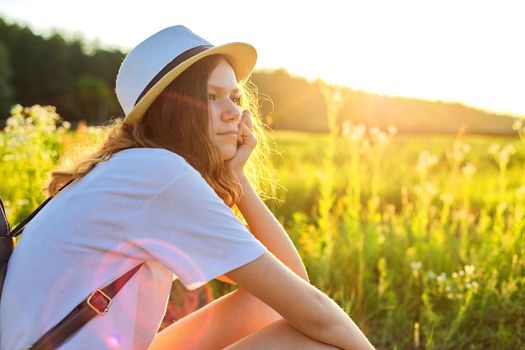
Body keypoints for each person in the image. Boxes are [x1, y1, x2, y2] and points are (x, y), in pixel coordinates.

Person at [0, 25, 375, 349]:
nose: (234, 113)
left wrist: (236, 179)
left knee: (268, 303)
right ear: (172, 108)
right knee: (320, 343)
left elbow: (288, 287)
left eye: (235, 97)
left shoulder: (132, 169)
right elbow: (315, 311)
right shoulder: (157, 173)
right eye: (211, 97)